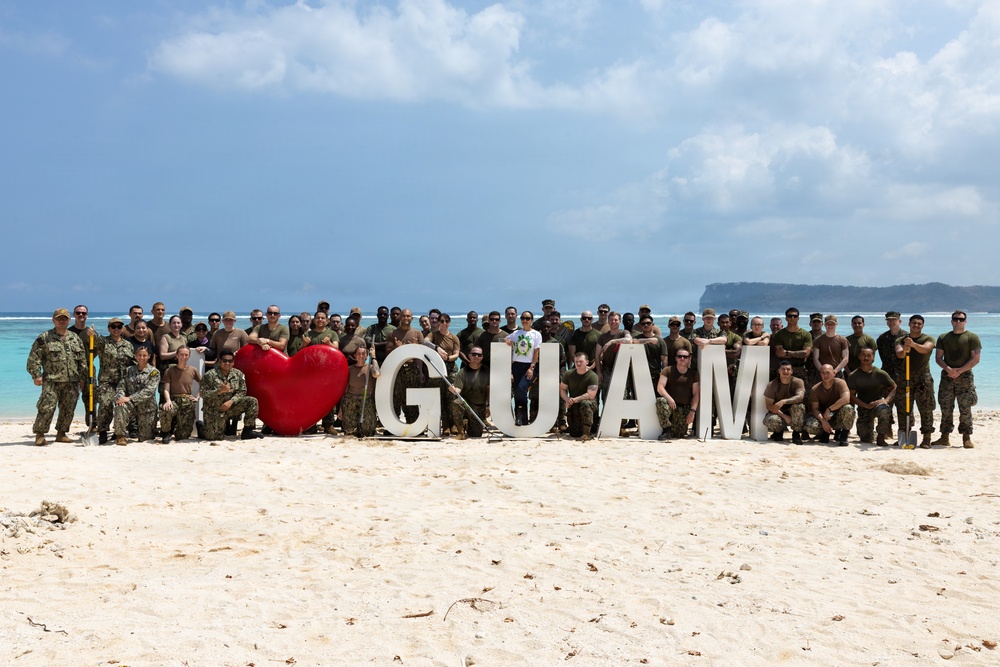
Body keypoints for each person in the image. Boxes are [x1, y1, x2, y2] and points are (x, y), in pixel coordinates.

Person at [26, 308, 88, 446]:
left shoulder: (74, 338)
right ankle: (40, 434)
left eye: (64, 318)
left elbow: (82, 359)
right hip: (51, 380)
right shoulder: (44, 337)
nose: (61, 321)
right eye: (58, 318)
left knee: (68, 409)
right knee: (46, 407)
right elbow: (33, 358)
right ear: (53, 320)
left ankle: (61, 433)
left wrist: (82, 377)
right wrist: (36, 375)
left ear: (69, 320)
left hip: (72, 380)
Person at [933, 310, 982, 448]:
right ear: (951, 321)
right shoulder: (943, 337)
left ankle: (966, 437)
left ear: (965, 321)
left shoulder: (972, 337)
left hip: (965, 376)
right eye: (955, 319)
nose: (958, 321)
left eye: (961, 319)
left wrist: (959, 371)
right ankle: (944, 436)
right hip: (947, 376)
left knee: (965, 407)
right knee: (946, 407)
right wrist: (949, 369)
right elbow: (938, 358)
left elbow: (975, 359)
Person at [199, 350, 262, 440]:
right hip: (215, 409)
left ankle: (248, 431)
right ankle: (201, 427)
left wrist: (231, 401)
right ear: (219, 361)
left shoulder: (238, 374)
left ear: (233, 362)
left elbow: (242, 391)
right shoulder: (210, 375)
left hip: (231, 407)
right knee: (214, 437)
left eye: (230, 361)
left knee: (252, 401)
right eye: (224, 360)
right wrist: (219, 391)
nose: (227, 363)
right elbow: (203, 393)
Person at [895, 314, 936, 448]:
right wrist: (905, 349)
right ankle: (904, 433)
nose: (916, 325)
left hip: (923, 378)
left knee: (925, 408)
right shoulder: (901, 339)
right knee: (903, 407)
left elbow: (926, 349)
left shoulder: (928, 338)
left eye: (919, 323)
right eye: (914, 323)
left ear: (922, 325)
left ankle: (927, 437)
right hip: (904, 377)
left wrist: (913, 344)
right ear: (909, 324)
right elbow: (899, 353)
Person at [92, 317, 135, 444]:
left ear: (122, 329)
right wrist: (92, 333)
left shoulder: (128, 345)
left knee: (121, 406)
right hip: (107, 381)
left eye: (119, 327)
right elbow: (96, 338)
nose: (116, 329)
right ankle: (103, 430)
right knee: (105, 403)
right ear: (109, 329)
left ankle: (119, 431)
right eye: (113, 327)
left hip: (123, 382)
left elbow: (133, 362)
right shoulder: (104, 342)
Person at [112, 346, 160, 445]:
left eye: (144, 355)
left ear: (149, 356)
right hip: (131, 405)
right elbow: (121, 386)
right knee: (120, 407)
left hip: (147, 407)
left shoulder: (154, 372)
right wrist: (120, 398)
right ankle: (120, 436)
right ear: (135, 356)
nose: (141, 357)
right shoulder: (128, 370)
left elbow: (148, 392)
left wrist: (129, 398)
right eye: (139, 355)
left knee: (145, 437)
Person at [848, 347, 896, 446]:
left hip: (877, 405)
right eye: (863, 355)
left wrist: (886, 400)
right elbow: (851, 396)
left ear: (873, 358)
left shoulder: (880, 373)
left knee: (884, 409)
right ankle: (871, 433)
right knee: (866, 438)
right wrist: (866, 406)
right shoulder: (854, 375)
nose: (866, 357)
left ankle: (881, 436)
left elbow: (894, 388)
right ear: (859, 357)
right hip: (863, 408)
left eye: (869, 355)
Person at [385, 309, 424, 424]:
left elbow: (421, 355)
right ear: (400, 318)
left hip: (412, 369)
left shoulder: (417, 334)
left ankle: (413, 423)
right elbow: (387, 352)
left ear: (412, 318)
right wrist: (397, 347)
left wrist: (421, 371)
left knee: (411, 397)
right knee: (396, 397)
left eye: (408, 316)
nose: (406, 318)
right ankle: (394, 424)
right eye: (403, 316)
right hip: (397, 369)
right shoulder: (393, 334)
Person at [424, 312, 461, 433]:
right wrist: (437, 348)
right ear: (438, 323)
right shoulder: (433, 334)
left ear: (449, 323)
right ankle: (445, 425)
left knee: (451, 396)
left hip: (450, 369)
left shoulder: (454, 338)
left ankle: (453, 424)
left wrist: (448, 358)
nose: (444, 324)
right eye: (442, 321)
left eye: (446, 321)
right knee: (440, 397)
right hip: (437, 369)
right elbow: (425, 342)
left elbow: (456, 353)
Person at [506, 311, 543, 426]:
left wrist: (532, 367)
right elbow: (505, 339)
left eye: (527, 318)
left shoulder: (536, 334)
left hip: (529, 366)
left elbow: (536, 352)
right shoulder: (516, 333)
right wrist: (507, 341)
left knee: (522, 388)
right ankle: (523, 420)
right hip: (517, 365)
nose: (525, 320)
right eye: (523, 318)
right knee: (518, 391)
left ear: (532, 320)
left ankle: (518, 414)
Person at [805, 364, 855, 445]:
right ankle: (823, 432)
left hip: (837, 415)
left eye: (828, 373)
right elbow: (814, 409)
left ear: (834, 373)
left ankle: (843, 435)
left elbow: (846, 399)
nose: (825, 375)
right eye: (823, 373)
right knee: (810, 426)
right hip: (824, 416)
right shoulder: (815, 389)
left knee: (848, 408)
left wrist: (829, 409)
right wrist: (823, 421)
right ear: (820, 374)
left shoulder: (841, 383)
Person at [655, 348, 699, 440]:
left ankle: (671, 429)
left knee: (679, 434)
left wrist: (692, 411)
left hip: (683, 409)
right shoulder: (667, 370)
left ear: (689, 359)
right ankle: (666, 431)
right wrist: (669, 399)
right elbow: (660, 387)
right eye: (680, 356)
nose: (682, 358)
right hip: (670, 406)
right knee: (660, 401)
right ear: (676, 358)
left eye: (685, 356)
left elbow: (696, 394)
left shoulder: (693, 374)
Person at [159, 347, 201, 443]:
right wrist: (168, 400)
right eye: (181, 354)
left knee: (182, 436)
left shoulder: (193, 370)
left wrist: (197, 397)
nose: (184, 357)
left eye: (186, 355)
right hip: (174, 400)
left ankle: (177, 430)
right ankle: (166, 432)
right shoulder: (169, 370)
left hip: (187, 401)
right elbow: (166, 389)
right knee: (165, 409)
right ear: (177, 355)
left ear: (189, 356)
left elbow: (202, 384)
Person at [449, 345, 490, 439]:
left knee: (476, 434)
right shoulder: (463, 371)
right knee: (456, 403)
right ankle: (461, 432)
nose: (476, 357)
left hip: (479, 406)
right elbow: (458, 390)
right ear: (469, 356)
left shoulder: (486, 371)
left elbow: (489, 390)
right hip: (466, 404)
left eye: (479, 355)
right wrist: (453, 390)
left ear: (482, 357)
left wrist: (488, 405)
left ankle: (466, 423)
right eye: (474, 354)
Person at [771, 308, 813, 395]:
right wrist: (798, 353)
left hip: (800, 369)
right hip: (784, 370)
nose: (792, 318)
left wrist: (787, 353)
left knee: (802, 396)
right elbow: (779, 353)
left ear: (798, 318)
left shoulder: (806, 334)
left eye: (795, 316)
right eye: (790, 316)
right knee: (781, 395)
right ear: (786, 318)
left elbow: (806, 353)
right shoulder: (780, 334)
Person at [341, 346, 380, 438]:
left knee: (368, 432)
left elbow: (377, 374)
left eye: (363, 354)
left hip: (366, 400)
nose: (361, 356)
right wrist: (340, 410)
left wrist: (373, 357)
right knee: (350, 432)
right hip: (351, 400)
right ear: (354, 355)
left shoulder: (370, 367)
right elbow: (345, 389)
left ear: (367, 356)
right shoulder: (349, 369)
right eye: (358, 354)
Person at [763, 360, 806, 443]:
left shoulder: (798, 382)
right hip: (779, 411)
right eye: (783, 369)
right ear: (779, 371)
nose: (785, 371)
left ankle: (796, 434)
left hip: (793, 411)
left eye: (788, 369)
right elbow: (769, 405)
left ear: (792, 371)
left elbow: (800, 397)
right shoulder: (772, 385)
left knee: (799, 407)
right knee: (770, 420)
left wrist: (783, 401)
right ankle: (778, 432)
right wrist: (785, 416)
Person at [561, 352, 599, 441]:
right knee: (575, 433)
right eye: (576, 361)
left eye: (581, 361)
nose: (578, 364)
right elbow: (562, 389)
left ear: (587, 362)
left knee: (585, 403)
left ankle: (586, 434)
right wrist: (567, 399)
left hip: (589, 403)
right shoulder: (568, 374)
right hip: (574, 403)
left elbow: (590, 395)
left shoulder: (593, 376)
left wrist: (574, 400)